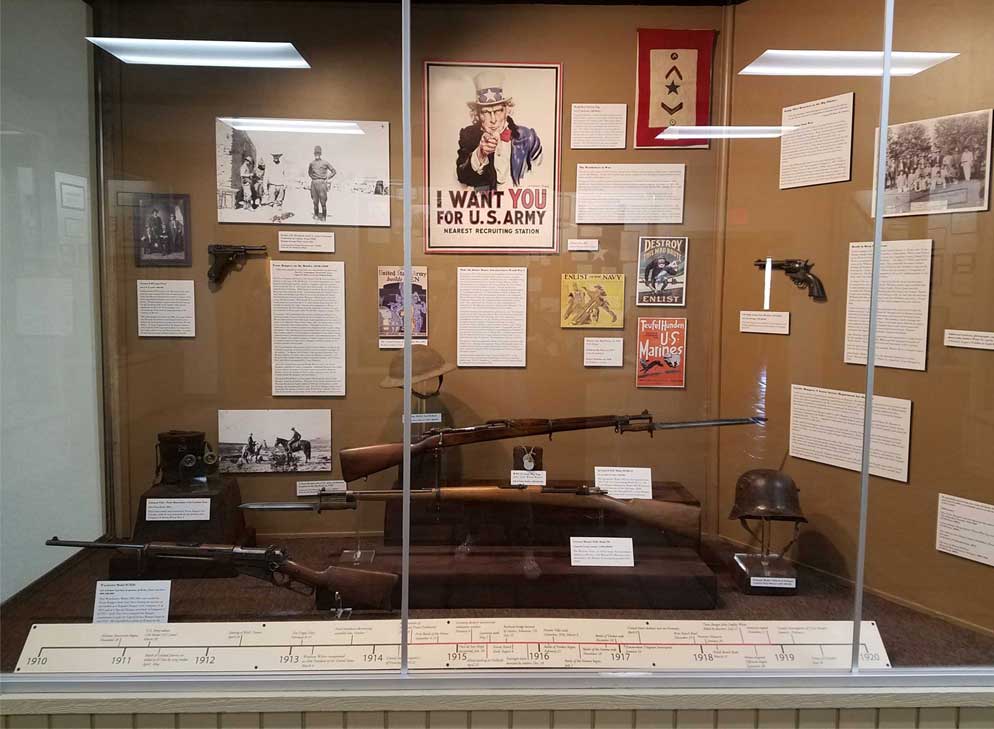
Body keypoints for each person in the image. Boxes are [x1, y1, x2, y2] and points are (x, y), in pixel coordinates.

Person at [456, 71, 543, 191]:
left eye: (498, 111)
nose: (493, 120)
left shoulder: (528, 137)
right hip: (487, 206)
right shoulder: (468, 135)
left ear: (507, 110)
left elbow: (542, 176)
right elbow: (462, 176)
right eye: (486, 112)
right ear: (477, 115)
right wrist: (480, 154)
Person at [308, 145, 336, 221]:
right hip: (314, 184)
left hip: (322, 184)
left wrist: (327, 178)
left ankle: (324, 217)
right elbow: (309, 173)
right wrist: (314, 179)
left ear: (320, 154)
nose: (317, 154)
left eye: (318, 153)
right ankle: (316, 215)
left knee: (323, 202)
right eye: (316, 153)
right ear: (314, 154)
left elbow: (334, 171)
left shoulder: (325, 163)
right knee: (315, 201)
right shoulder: (311, 163)